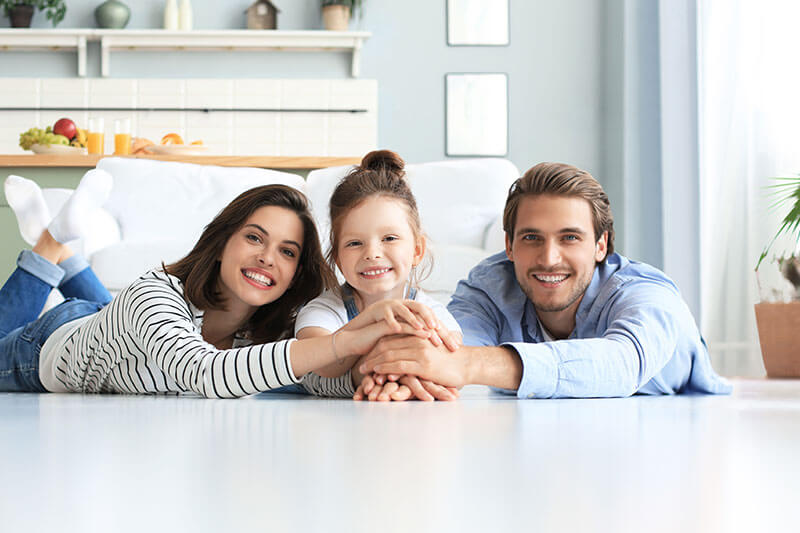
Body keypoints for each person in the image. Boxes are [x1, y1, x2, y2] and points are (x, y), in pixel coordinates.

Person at [0, 172, 433, 398]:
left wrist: (376, 375)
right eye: (254, 237)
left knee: (116, 323)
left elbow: (317, 379)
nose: (267, 257)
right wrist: (348, 341)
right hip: (51, 344)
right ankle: (52, 241)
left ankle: (65, 248)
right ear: (223, 240)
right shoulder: (154, 292)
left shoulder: (271, 330)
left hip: (122, 332)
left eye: (287, 251)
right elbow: (204, 373)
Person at [358, 162, 732, 398]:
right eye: (531, 238)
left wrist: (469, 366)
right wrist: (404, 377)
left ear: (601, 245)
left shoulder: (647, 292)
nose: (549, 258)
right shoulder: (488, 287)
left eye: (570, 237)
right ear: (509, 245)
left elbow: (622, 364)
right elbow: (448, 350)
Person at [294, 150, 463, 402]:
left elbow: (450, 361)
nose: (372, 254)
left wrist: (400, 379)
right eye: (354, 243)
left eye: (389, 238)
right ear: (338, 258)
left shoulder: (430, 312)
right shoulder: (322, 312)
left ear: (417, 250)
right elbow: (324, 363)